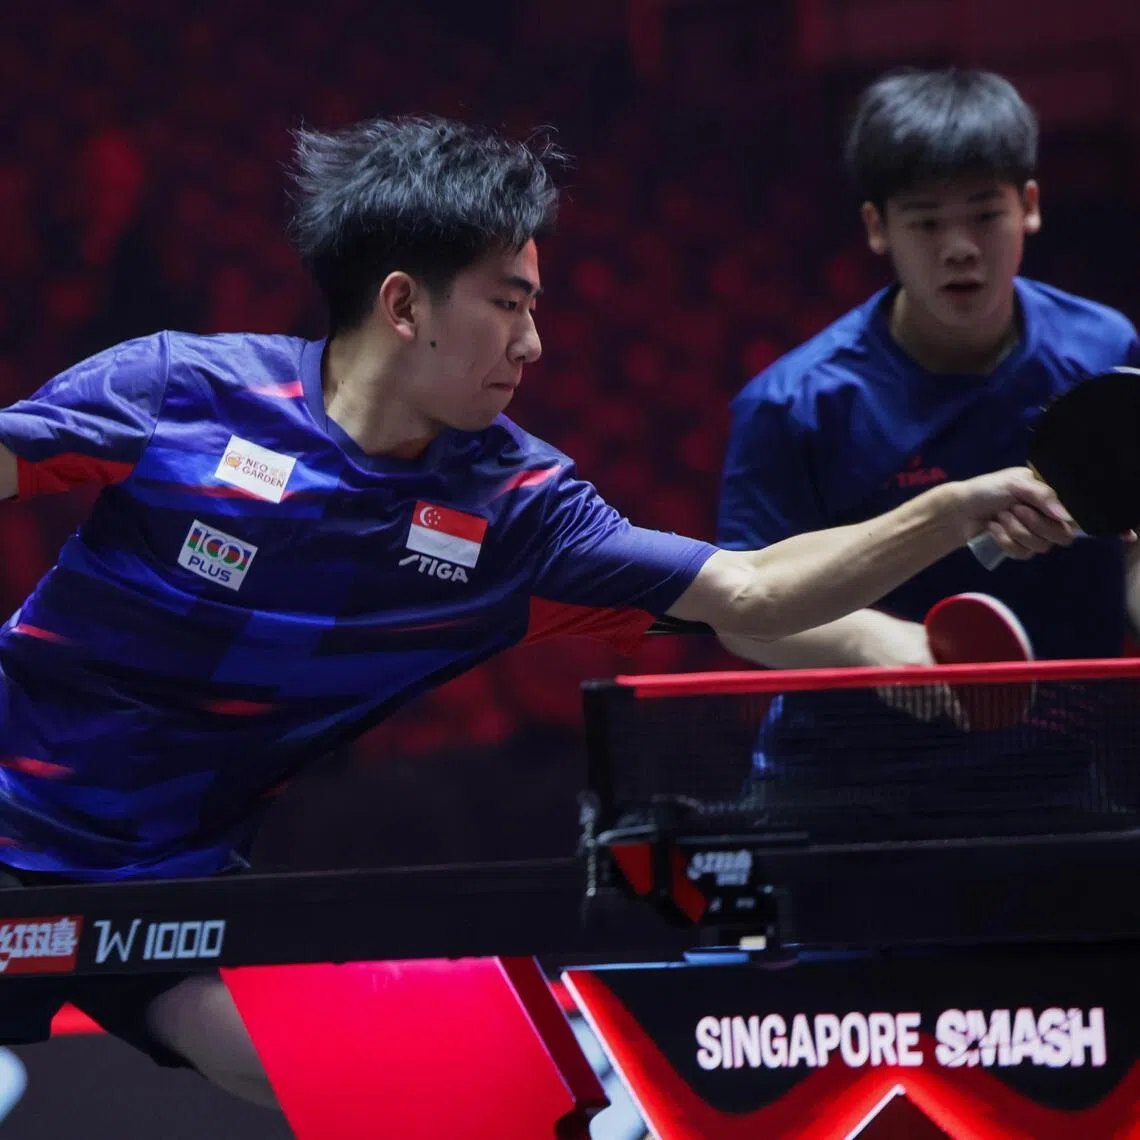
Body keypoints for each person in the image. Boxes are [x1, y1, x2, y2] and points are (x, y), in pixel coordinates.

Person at [0, 115, 1069, 1105]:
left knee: (360, 1092)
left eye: (536, 308)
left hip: (163, 891)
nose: (533, 343)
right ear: (405, 304)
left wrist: (950, 515)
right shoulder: (184, 391)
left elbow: (749, 593)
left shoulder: (516, 511)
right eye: (507, 303)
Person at [718, 70, 1140, 821]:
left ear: (1030, 208)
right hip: (840, 780)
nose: (959, 249)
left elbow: (1131, 553)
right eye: (925, 223)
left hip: (1049, 774)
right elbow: (741, 614)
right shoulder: (797, 404)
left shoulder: (1102, 350)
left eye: (984, 215)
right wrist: (871, 644)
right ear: (878, 226)